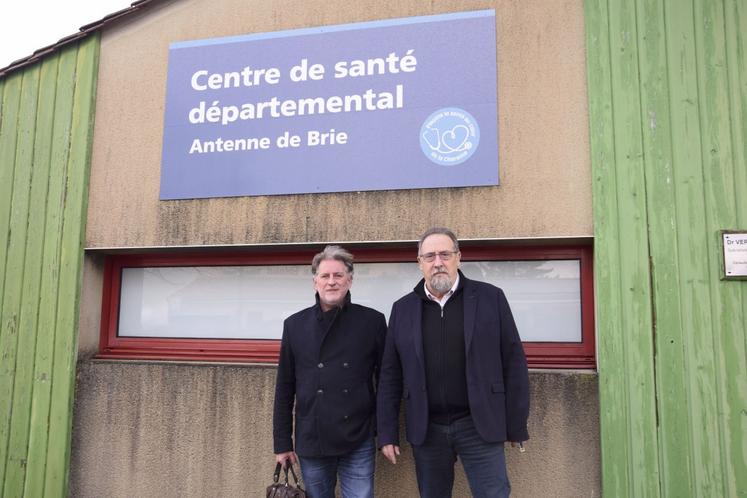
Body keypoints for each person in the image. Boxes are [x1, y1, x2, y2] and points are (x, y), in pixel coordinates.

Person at [377, 228, 530, 497]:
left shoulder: (490, 298)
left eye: (445, 254)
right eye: (430, 256)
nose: (438, 262)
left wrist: (516, 423)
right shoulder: (403, 309)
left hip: (479, 424)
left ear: (458, 257)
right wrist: (387, 433)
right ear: (419, 262)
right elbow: (390, 375)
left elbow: (513, 362)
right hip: (428, 428)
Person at [273, 245, 387, 498]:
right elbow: (284, 388)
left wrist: (382, 431)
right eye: (325, 276)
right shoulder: (295, 325)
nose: (332, 282)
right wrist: (282, 443)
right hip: (313, 438)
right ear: (315, 282)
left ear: (350, 279)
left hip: (358, 436)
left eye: (338, 275)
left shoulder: (373, 322)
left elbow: (386, 381)